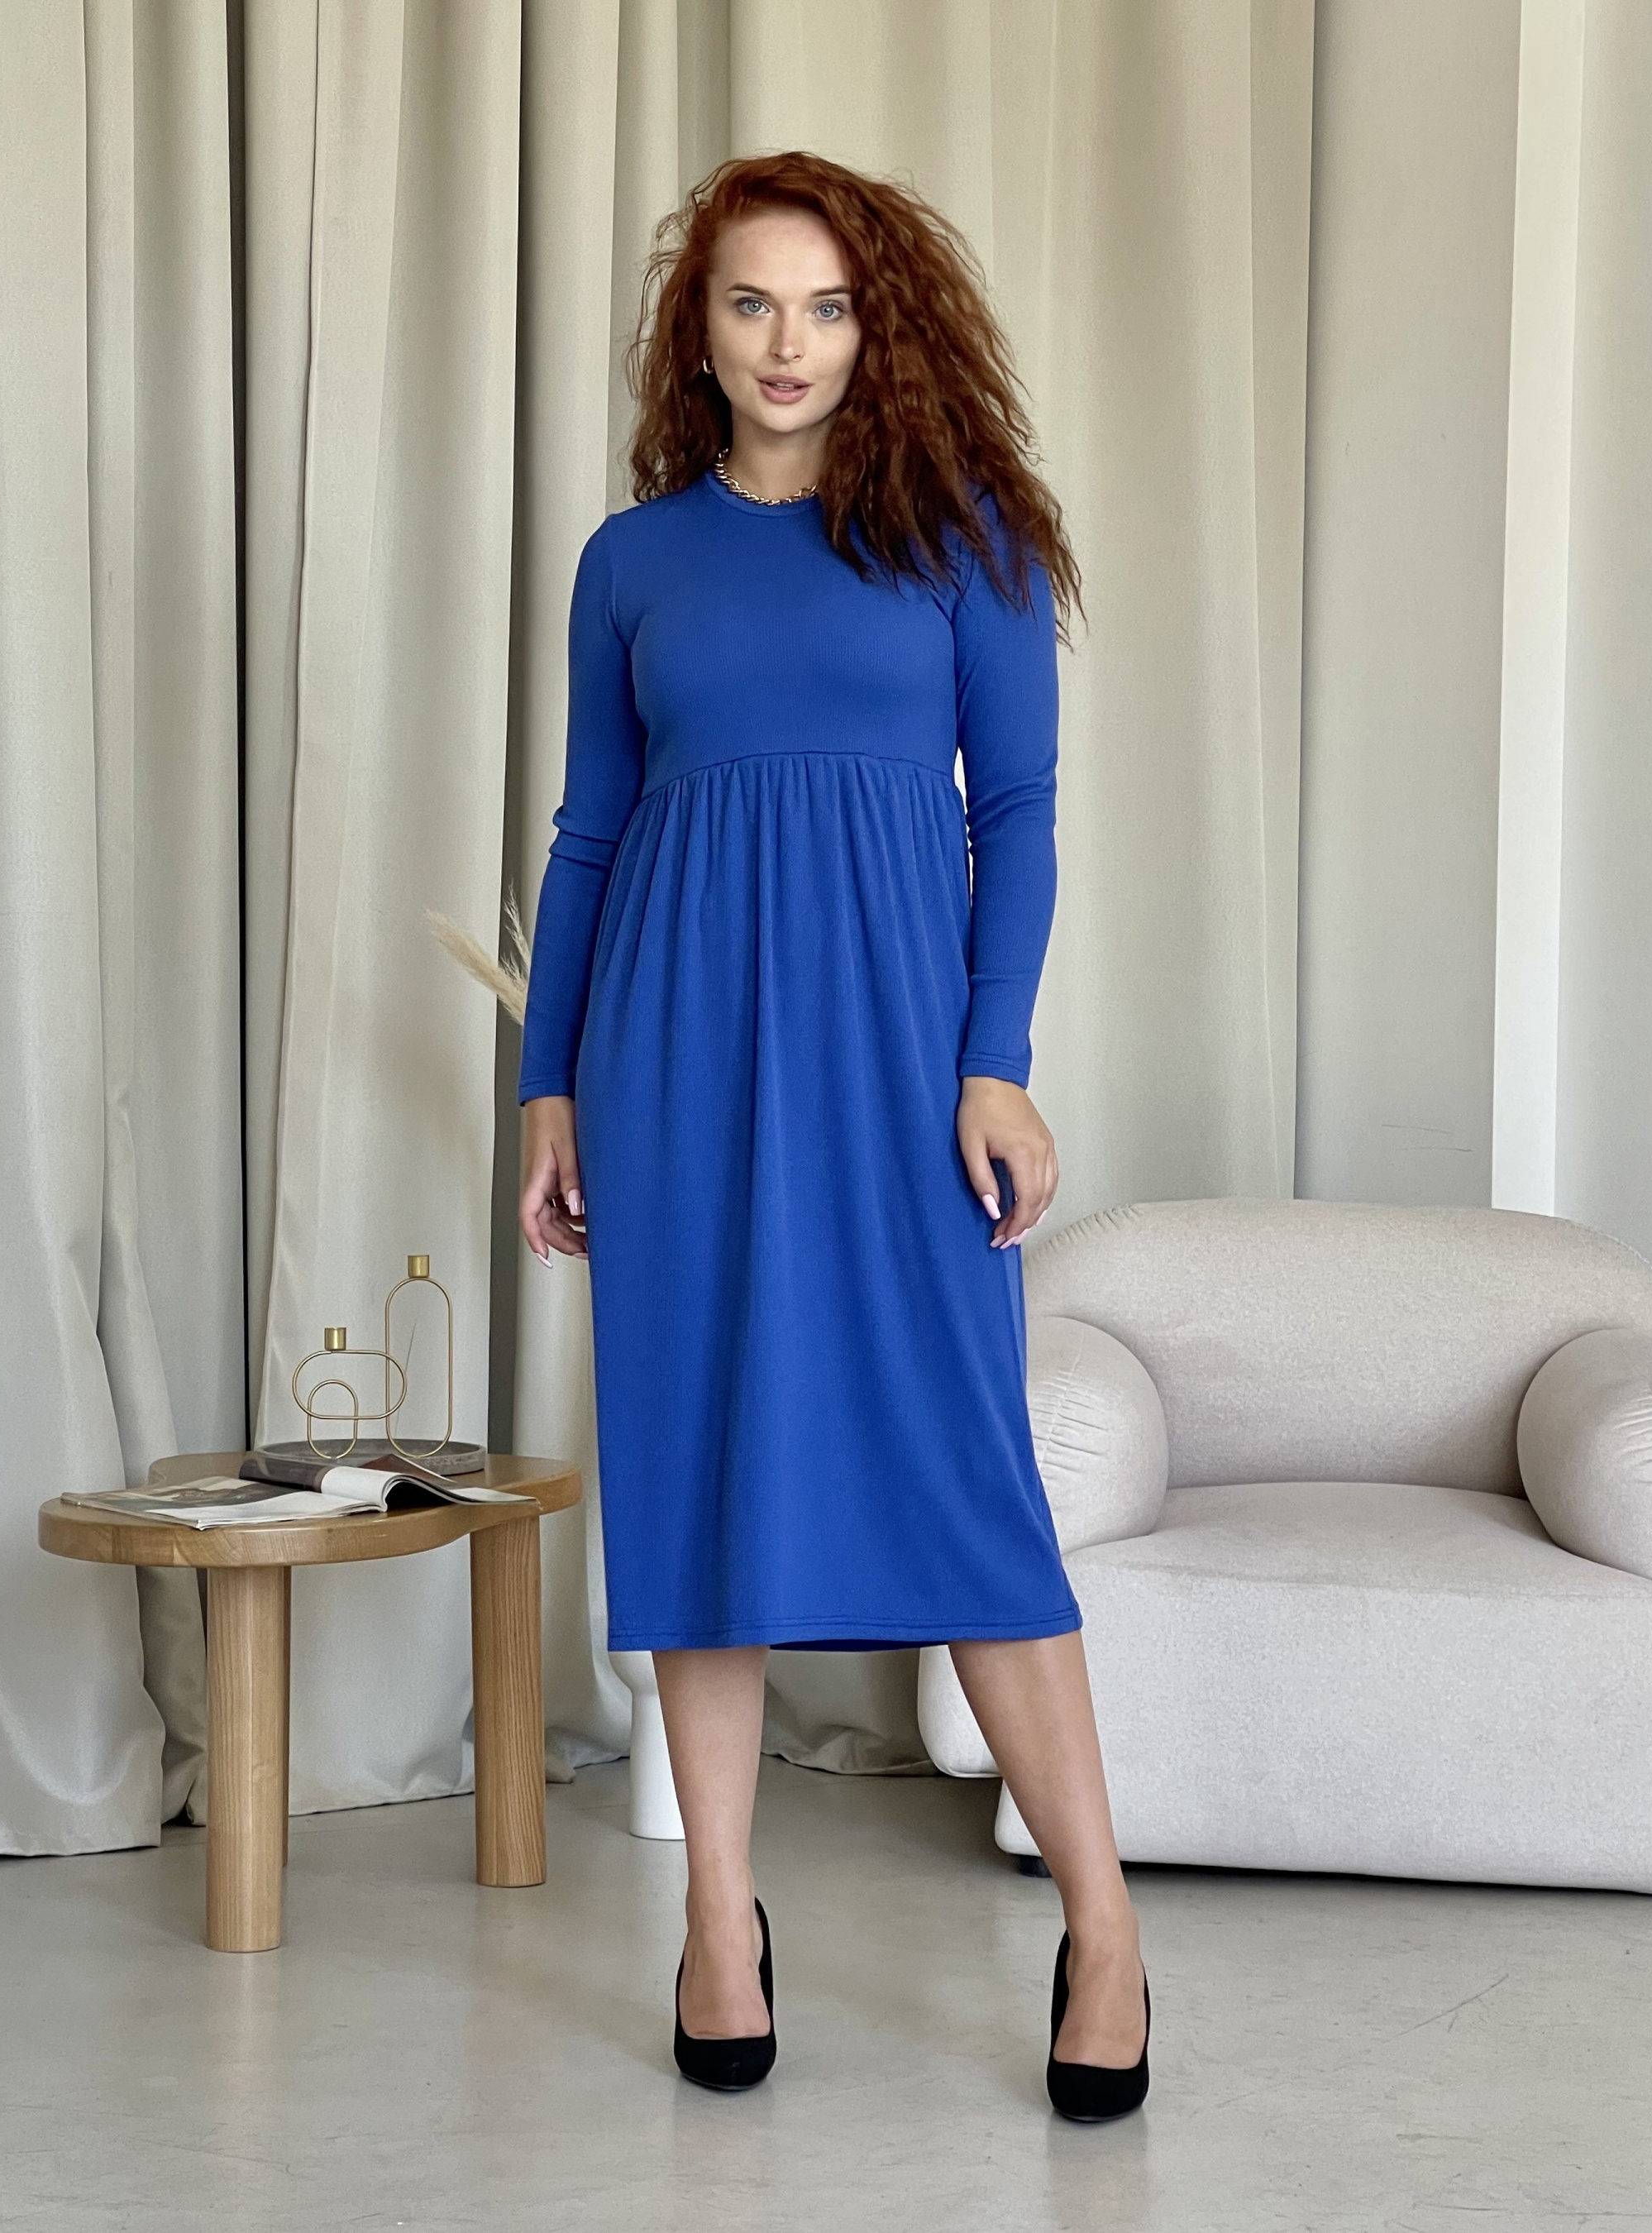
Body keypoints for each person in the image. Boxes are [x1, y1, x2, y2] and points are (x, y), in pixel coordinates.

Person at [517, 150, 1149, 2122]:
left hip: (896, 1063)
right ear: (694, 331)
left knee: (966, 1490)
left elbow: (1015, 813)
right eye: (748, 304)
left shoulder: (965, 537)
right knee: (695, 1482)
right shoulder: (631, 562)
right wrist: (550, 1085)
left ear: (880, 327)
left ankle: (1104, 1927)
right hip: (670, 1059)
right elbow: (591, 834)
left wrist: (992, 1061)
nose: (785, 344)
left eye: (825, 306)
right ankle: (717, 1917)